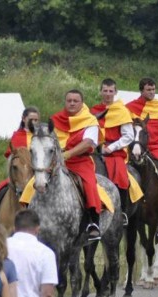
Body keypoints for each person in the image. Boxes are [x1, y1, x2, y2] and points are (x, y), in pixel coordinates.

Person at [51, 89, 102, 240]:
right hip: (55, 161)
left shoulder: (90, 120)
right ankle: (27, 216)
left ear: (82, 103)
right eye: (69, 100)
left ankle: (93, 222)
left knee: (89, 185)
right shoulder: (55, 119)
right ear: (65, 102)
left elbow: (88, 143)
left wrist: (67, 154)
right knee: (34, 183)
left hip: (79, 161)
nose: (72, 103)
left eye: (75, 101)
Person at [125, 77, 158, 203]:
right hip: (132, 147)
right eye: (149, 89)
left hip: (155, 147)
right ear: (141, 91)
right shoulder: (129, 108)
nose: (152, 92)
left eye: (153, 89)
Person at [90, 78, 137, 225]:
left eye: (111, 91)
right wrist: (97, 146)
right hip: (95, 150)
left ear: (115, 92)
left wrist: (111, 147)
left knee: (121, 176)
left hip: (114, 152)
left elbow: (129, 136)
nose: (108, 94)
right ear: (100, 91)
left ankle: (121, 211)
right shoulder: (94, 111)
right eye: (105, 91)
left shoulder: (122, 111)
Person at [0, 107, 40, 212]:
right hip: (20, 173)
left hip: (38, 174)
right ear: (24, 119)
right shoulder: (17, 136)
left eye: (36, 120)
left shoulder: (41, 137)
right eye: (31, 119)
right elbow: (11, 157)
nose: (34, 122)